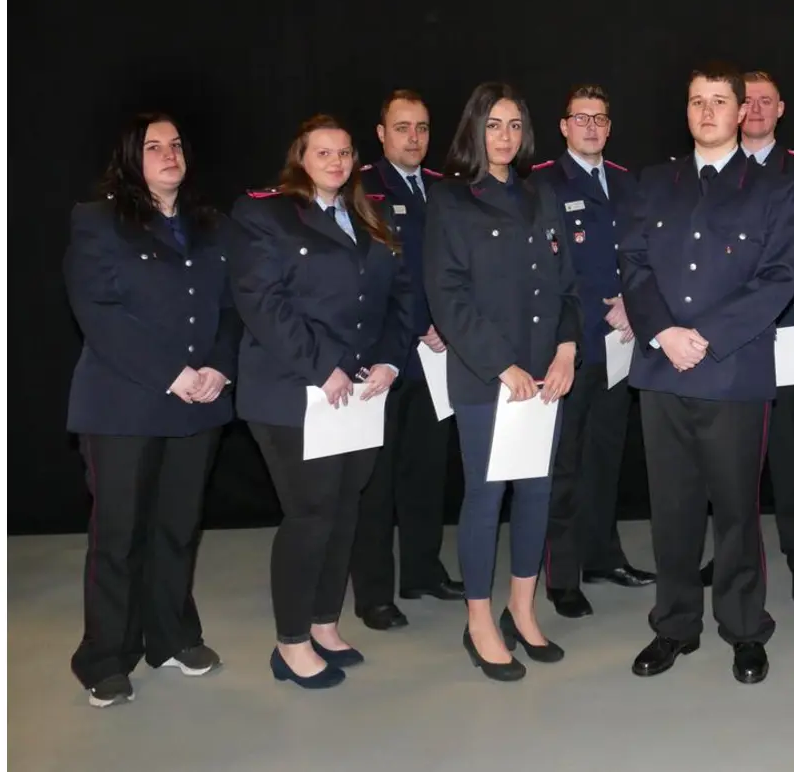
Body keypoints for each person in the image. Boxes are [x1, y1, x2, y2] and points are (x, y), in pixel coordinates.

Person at [619, 62, 794, 685]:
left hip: (731, 374)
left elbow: (778, 278)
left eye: (719, 101)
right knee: (671, 513)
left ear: (743, 109)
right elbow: (634, 265)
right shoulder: (652, 182)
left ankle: (745, 629)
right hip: (663, 371)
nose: (706, 112)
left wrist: (708, 337)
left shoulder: (773, 188)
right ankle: (674, 627)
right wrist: (665, 332)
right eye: (696, 101)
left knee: (736, 514)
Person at [228, 114, 413, 690]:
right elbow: (262, 302)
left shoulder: (368, 213)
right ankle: (290, 643)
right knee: (310, 513)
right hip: (292, 391)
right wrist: (321, 366)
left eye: (344, 153)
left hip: (356, 391)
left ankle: (324, 621)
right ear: (300, 159)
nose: (335, 162)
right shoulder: (265, 214)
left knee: (345, 507)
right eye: (322, 153)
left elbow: (399, 295)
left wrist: (389, 357)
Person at [64, 112, 239, 708]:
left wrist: (219, 365)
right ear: (131, 159)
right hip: (124, 406)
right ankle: (104, 657)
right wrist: (172, 373)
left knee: (177, 528)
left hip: (199, 403)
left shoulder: (211, 225)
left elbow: (232, 306)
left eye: (176, 145)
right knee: (118, 536)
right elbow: (100, 313)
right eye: (154, 147)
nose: (169, 154)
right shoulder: (99, 221)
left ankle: (171, 637)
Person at [423, 82, 581, 682]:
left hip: (546, 376)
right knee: (487, 499)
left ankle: (521, 606)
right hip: (488, 377)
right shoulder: (452, 200)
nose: (505, 136)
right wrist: (501, 365)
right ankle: (480, 619)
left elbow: (567, 284)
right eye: (493, 125)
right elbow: (448, 296)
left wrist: (566, 351)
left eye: (514, 125)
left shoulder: (543, 196)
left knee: (537, 493)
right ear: (474, 130)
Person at [696, 69, 794, 605]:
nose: (754, 110)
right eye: (745, 101)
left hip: (787, 330)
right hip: (725, 338)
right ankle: (730, 554)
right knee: (728, 457)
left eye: (764, 102)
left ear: (780, 110)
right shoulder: (709, 173)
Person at [530, 84, 655, 621]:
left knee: (607, 456)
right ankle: (562, 575)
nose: (591, 127)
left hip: (622, 343)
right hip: (568, 346)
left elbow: (649, 249)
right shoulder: (540, 183)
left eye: (599, 119)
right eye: (581, 118)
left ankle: (604, 556)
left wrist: (635, 300)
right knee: (564, 463)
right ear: (563, 126)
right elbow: (541, 270)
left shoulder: (629, 183)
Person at [349, 89, 465, 634]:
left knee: (426, 470)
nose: (413, 138)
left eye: (421, 128)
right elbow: (367, 275)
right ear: (380, 133)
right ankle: (374, 592)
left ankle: (423, 569)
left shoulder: (444, 189)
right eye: (402, 128)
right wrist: (419, 322)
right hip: (383, 355)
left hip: (439, 358)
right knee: (376, 480)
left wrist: (449, 322)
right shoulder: (360, 188)